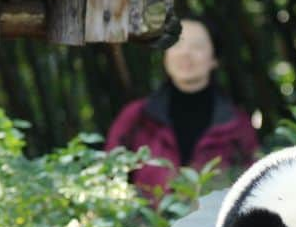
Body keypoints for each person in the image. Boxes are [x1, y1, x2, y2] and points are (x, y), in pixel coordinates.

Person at [106, 18, 259, 204]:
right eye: (177, 44)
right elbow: (109, 182)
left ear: (214, 59)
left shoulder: (236, 123)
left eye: (197, 46)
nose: (185, 53)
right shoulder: (136, 117)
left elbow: (253, 192)